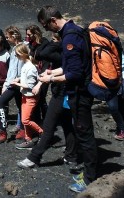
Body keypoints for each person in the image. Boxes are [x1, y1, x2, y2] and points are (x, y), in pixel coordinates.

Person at [35, 6, 97, 193]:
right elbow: (70, 66)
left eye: (46, 25)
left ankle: (90, 179)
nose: (46, 29)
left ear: (54, 19)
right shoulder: (75, 30)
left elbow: (75, 73)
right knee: (83, 133)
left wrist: (51, 78)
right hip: (81, 91)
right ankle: (88, 171)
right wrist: (53, 72)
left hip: (80, 93)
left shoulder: (69, 37)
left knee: (85, 135)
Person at [16, 32, 80, 173]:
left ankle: (34, 157)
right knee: (67, 124)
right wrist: (51, 74)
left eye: (54, 38)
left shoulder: (63, 50)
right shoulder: (68, 52)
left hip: (62, 92)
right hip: (67, 92)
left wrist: (56, 43)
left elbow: (42, 54)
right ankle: (71, 155)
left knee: (48, 125)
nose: (51, 41)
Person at [0, 26, 24, 143]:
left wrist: (17, 80)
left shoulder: (22, 48)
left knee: (20, 106)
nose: (7, 40)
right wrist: (7, 83)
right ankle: (3, 131)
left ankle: (23, 130)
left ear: (14, 36)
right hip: (12, 83)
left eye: (8, 37)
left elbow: (20, 68)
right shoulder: (14, 49)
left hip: (20, 84)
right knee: (1, 103)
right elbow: (12, 70)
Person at [11, 44, 44, 149]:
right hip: (25, 95)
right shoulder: (26, 65)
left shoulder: (30, 67)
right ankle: (28, 139)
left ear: (22, 54)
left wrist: (17, 84)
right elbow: (25, 78)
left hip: (30, 96)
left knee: (25, 120)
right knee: (25, 119)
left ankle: (42, 133)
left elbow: (30, 85)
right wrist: (19, 79)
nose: (16, 57)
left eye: (17, 55)